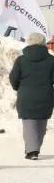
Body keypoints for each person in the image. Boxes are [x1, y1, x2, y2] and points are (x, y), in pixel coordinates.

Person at [9, 32, 54, 160]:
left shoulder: (21, 60)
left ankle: (32, 151)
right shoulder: (51, 60)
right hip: (46, 96)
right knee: (41, 124)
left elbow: (14, 78)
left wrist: (17, 87)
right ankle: (34, 148)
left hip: (26, 96)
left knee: (29, 124)